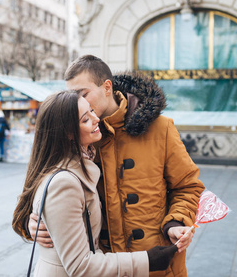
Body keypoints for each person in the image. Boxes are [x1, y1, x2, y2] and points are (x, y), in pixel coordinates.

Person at [28, 55, 205, 277]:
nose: (77, 103)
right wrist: (34, 222)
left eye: (83, 95)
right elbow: (42, 187)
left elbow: (188, 186)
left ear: (107, 87)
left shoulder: (161, 129)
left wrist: (176, 223)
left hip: (158, 263)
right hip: (102, 268)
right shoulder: (79, 137)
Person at [13, 90, 178, 276]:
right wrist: (147, 260)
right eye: (85, 119)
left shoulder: (82, 162)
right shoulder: (64, 183)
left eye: (91, 110)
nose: (96, 118)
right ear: (68, 133)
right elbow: (80, 266)